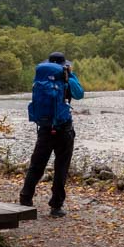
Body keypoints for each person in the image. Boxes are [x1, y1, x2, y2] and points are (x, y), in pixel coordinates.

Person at [19, 51, 84, 217]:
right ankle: (56, 205)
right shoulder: (67, 77)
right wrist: (70, 76)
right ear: (65, 65)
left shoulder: (41, 77)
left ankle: (25, 199)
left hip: (45, 128)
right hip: (64, 128)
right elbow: (79, 94)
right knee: (61, 167)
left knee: (37, 165)